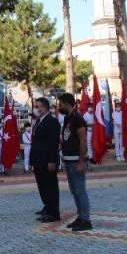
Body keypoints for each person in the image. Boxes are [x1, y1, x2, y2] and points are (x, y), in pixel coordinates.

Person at [58, 93, 93, 231]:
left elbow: (83, 140)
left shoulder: (78, 119)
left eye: (61, 105)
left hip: (76, 160)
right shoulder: (67, 118)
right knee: (74, 190)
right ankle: (80, 216)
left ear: (68, 104)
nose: (59, 107)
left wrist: (81, 162)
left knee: (80, 190)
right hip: (68, 160)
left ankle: (86, 220)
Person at [31, 97, 61, 223]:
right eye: (35, 107)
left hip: (47, 160)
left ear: (44, 107)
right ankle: (47, 207)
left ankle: (54, 212)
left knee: (50, 186)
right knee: (42, 185)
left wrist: (52, 160)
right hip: (38, 159)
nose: (36, 109)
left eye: (38, 107)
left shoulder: (52, 121)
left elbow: (54, 143)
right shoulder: (39, 121)